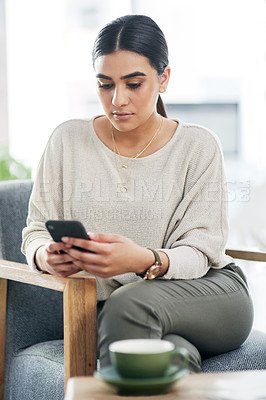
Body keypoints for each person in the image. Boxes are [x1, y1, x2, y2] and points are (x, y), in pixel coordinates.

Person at [22, 14, 253, 372]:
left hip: (208, 293)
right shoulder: (67, 140)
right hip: (118, 310)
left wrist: (143, 260)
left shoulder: (198, 145)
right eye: (105, 84)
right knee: (172, 354)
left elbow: (201, 252)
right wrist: (44, 257)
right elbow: (35, 230)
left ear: (163, 78)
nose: (118, 100)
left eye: (134, 83)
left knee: (129, 305)